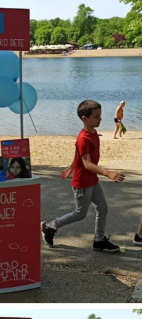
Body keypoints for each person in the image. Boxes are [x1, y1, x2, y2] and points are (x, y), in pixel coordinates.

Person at [41, 99, 124, 253]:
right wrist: (108, 173)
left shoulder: (93, 133)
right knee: (80, 214)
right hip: (83, 183)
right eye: (96, 116)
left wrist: (71, 166)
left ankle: (99, 240)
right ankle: (50, 226)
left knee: (103, 209)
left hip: (93, 180)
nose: (100, 119)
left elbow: (78, 156)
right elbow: (87, 164)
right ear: (84, 119)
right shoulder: (83, 138)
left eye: (100, 116)